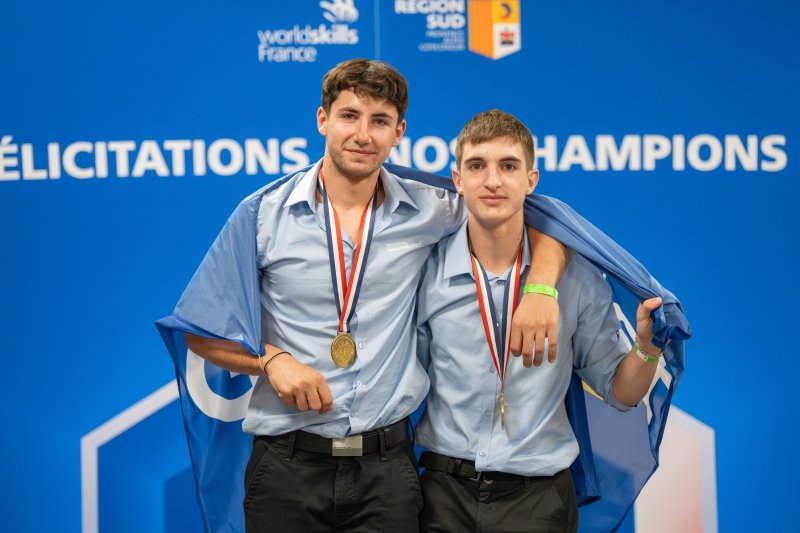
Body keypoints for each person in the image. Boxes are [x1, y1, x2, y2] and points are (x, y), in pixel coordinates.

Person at [174, 59, 568, 532]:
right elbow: (199, 333)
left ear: (398, 132)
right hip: (287, 467)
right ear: (323, 119)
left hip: (386, 473)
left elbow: (541, 217)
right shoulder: (262, 215)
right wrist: (271, 361)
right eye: (349, 116)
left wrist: (541, 287)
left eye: (379, 121)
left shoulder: (432, 207)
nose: (362, 135)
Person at [415, 109, 667, 532]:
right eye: (476, 166)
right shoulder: (424, 271)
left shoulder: (577, 279)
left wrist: (647, 346)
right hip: (442, 494)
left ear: (531, 180)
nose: (492, 181)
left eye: (508, 166)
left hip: (539, 499)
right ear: (457, 179)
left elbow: (621, 392)